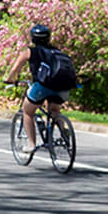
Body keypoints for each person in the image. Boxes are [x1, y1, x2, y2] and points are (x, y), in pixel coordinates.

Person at [20, 22, 78, 158]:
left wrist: (10, 79)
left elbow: (16, 67)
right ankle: (64, 131)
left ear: (33, 38)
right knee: (55, 110)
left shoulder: (31, 51)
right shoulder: (57, 52)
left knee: (27, 111)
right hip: (63, 87)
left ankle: (32, 144)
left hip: (43, 86)